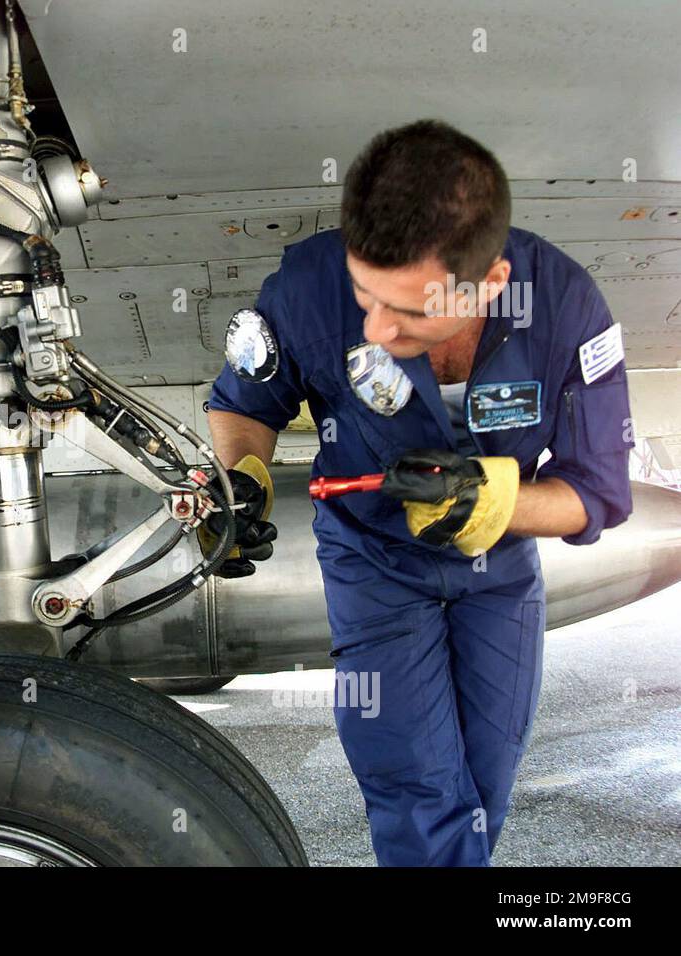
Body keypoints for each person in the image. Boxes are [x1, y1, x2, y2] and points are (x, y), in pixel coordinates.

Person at [203, 119, 633, 865]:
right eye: (366, 295)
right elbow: (245, 404)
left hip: (499, 567)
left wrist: (498, 502)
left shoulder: (565, 306)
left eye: (407, 310)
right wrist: (243, 482)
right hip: (373, 560)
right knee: (418, 789)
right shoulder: (309, 286)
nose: (374, 328)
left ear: (490, 284)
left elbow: (599, 494)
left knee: (484, 788)